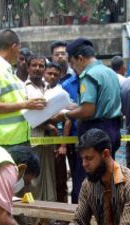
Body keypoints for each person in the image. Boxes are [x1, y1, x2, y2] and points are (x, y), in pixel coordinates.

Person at [52, 38, 122, 206]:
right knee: (106, 180)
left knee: (85, 184)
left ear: (80, 58)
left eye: (73, 63)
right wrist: (73, 106)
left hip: (94, 132)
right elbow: (96, 103)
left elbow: (88, 110)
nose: (74, 68)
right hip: (112, 129)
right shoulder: (109, 72)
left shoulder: (88, 75)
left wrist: (66, 115)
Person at [0, 29, 45, 147]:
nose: (19, 53)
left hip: (17, 139)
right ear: (13, 47)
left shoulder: (8, 71)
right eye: (19, 49)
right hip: (4, 142)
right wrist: (25, 105)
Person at [25, 55, 57, 202]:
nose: (37, 68)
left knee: (50, 176)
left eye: (41, 66)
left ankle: (48, 218)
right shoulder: (23, 88)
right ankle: (33, 218)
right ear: (28, 68)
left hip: (49, 139)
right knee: (34, 179)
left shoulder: (49, 87)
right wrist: (47, 125)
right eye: (34, 65)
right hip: (34, 138)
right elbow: (27, 114)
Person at [52, 40, 80, 200]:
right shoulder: (47, 80)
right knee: (59, 177)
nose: (60, 57)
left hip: (74, 133)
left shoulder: (75, 80)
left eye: (63, 53)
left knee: (79, 175)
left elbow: (73, 110)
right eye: (57, 54)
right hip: (55, 136)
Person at [44, 62, 70, 203]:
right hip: (43, 141)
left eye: (56, 74)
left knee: (60, 179)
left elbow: (68, 119)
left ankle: (63, 213)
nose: (52, 76)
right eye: (50, 73)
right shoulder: (40, 92)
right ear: (44, 74)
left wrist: (63, 145)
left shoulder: (62, 94)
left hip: (58, 142)